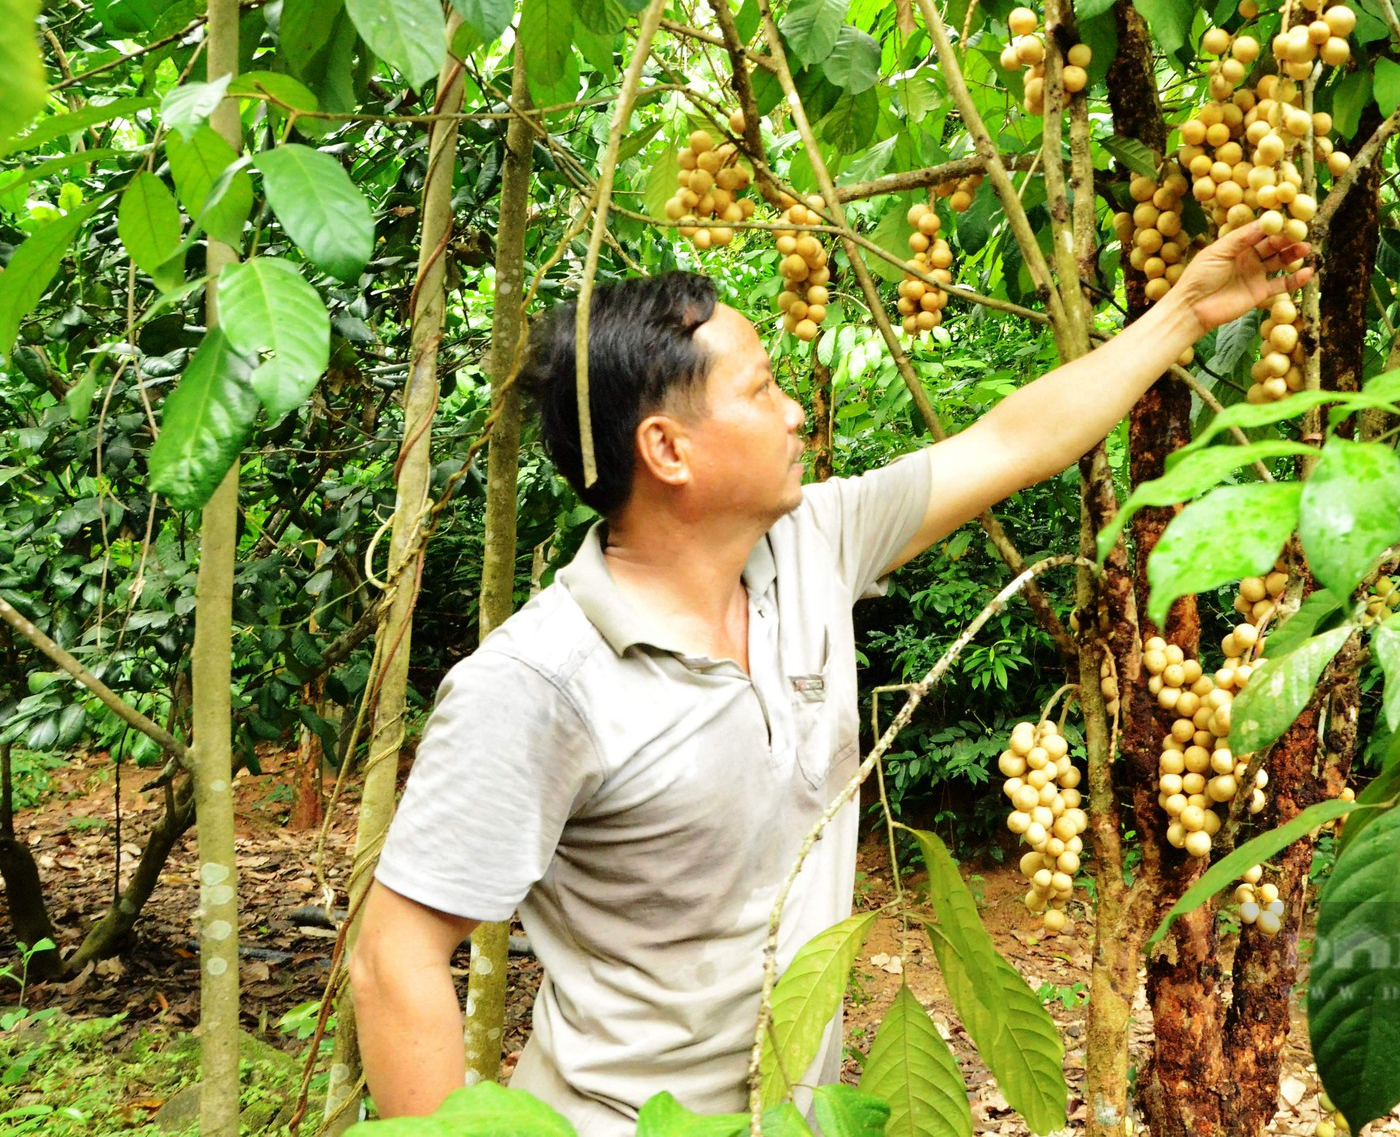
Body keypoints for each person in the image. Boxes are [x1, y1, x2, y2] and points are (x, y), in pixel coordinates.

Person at [349, 218, 1311, 1134]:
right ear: (667, 449)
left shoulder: (808, 545)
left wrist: (1185, 310)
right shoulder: (538, 680)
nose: (796, 408)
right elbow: (395, 960)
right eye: (762, 389)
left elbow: (1015, 441)